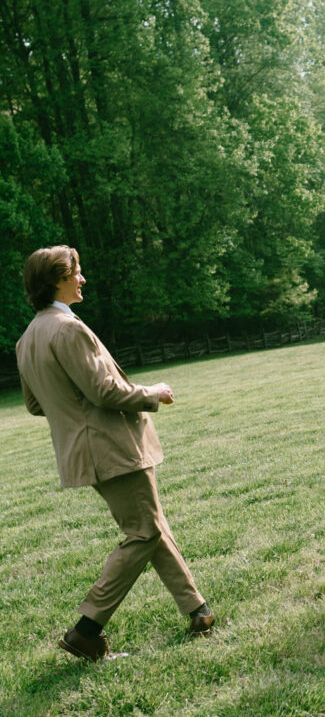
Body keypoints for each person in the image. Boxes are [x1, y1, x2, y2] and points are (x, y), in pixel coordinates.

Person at [16, 246, 214, 661]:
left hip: (90, 452)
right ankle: (86, 630)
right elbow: (103, 390)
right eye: (77, 272)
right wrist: (153, 393)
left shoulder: (27, 339)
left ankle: (198, 611)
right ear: (57, 279)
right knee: (143, 532)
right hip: (111, 448)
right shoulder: (67, 329)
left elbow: (36, 404)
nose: (82, 279)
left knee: (150, 525)